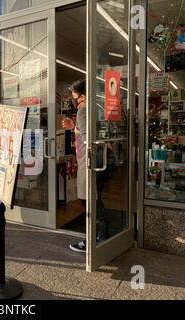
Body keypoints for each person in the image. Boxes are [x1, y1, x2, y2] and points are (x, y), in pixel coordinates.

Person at [62, 80, 115, 253]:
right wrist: (74, 127)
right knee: (94, 197)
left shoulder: (83, 110)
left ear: (83, 95)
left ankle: (96, 239)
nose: (72, 99)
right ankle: (101, 235)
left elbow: (88, 139)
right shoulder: (97, 108)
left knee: (88, 199)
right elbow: (91, 133)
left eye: (74, 96)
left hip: (92, 160)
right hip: (102, 158)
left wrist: (73, 126)